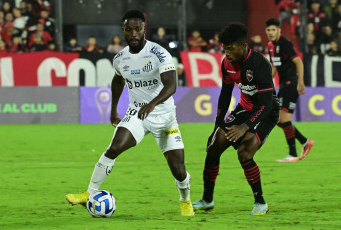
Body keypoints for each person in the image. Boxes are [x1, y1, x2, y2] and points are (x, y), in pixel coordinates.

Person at [65, 10, 194, 217]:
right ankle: (89, 192)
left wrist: (152, 104)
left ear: (144, 29)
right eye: (129, 30)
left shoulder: (159, 53)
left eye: (137, 29)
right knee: (113, 148)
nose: (133, 33)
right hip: (137, 114)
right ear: (123, 31)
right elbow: (118, 80)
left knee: (178, 169)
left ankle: (185, 200)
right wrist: (114, 108)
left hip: (164, 117)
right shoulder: (120, 58)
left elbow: (171, 86)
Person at [192, 22, 280, 215]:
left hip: (266, 112)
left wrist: (245, 127)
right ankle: (207, 200)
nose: (227, 53)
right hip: (245, 108)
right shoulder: (226, 63)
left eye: (230, 49)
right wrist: (217, 125)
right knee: (213, 146)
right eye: (224, 49)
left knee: (245, 152)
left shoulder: (260, 64)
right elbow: (225, 95)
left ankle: (261, 203)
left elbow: (266, 104)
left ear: (243, 46)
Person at [265, 18, 314, 162]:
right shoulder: (270, 46)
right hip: (283, 85)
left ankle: (293, 154)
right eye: (268, 30)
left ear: (279, 30)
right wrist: (266, 83)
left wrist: (300, 82)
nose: (271, 32)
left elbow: (298, 61)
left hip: (291, 84)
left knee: (284, 119)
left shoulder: (284, 44)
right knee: (277, 120)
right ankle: (305, 142)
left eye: (273, 29)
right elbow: (274, 67)